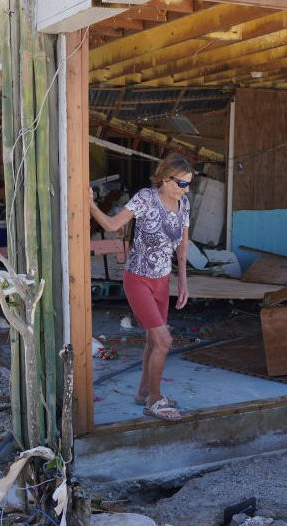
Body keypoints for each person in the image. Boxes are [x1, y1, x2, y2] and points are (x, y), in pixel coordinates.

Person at [89, 154, 193, 421]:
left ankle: (143, 392)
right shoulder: (146, 198)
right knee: (164, 340)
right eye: (182, 184)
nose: (186, 189)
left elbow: (182, 247)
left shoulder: (184, 203)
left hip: (162, 281)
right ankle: (154, 401)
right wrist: (90, 205)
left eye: (189, 184)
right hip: (138, 279)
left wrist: (183, 280)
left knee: (153, 340)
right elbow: (112, 224)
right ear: (166, 179)